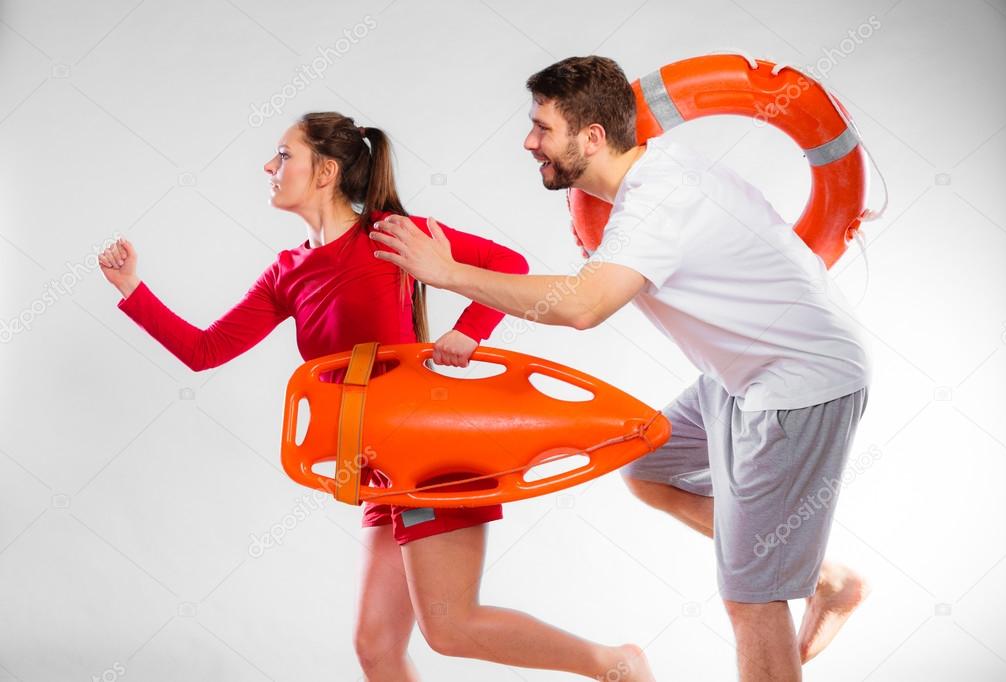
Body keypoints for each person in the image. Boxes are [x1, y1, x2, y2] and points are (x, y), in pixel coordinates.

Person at [98, 112, 654, 681]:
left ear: (326, 171)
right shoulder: (285, 273)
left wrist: (469, 330)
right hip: (376, 470)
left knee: (451, 628)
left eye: (284, 155)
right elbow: (206, 349)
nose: (269, 166)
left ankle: (613, 665)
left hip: (430, 456)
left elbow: (507, 265)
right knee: (376, 648)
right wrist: (133, 290)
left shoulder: (389, 234)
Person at [369, 56, 872, 682]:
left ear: (593, 137)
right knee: (647, 464)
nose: (529, 142)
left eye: (542, 128)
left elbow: (584, 306)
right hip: (739, 375)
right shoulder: (653, 182)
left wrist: (446, 274)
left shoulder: (661, 200)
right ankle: (822, 573)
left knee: (751, 598)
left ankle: (781, 572)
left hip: (800, 381)